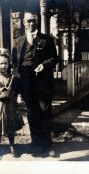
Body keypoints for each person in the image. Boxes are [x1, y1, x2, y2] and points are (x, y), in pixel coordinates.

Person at [12, 11, 58, 156]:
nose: (31, 24)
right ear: (23, 22)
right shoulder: (19, 41)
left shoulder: (47, 39)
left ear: (37, 22)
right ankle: (36, 143)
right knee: (32, 113)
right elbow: (15, 64)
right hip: (26, 82)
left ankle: (47, 145)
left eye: (34, 21)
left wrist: (44, 65)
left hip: (43, 81)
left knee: (44, 111)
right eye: (29, 21)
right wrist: (18, 82)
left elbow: (54, 58)